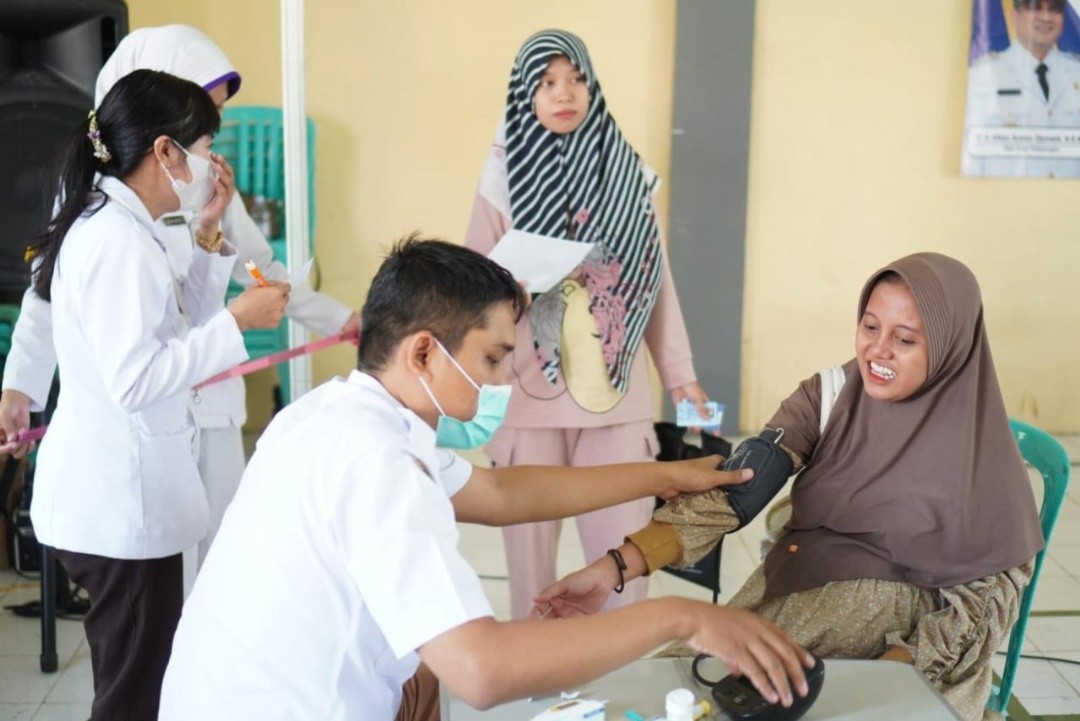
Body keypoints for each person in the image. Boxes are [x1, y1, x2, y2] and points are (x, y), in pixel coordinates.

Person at [158, 236, 814, 721]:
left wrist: (662, 474)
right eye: (494, 357)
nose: (503, 381)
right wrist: (684, 618)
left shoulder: (336, 414)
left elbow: (500, 493)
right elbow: (482, 668)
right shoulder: (379, 465)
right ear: (422, 350)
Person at [535, 253, 1045, 721]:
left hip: (901, 651)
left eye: (906, 339)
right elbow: (735, 490)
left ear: (954, 344)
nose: (878, 350)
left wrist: (893, 670)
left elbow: (984, 604)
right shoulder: (829, 397)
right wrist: (612, 569)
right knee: (662, 689)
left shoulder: (985, 462)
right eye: (869, 326)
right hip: (790, 600)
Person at [0, 25, 359, 590]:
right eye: (200, 122)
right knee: (159, 589)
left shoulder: (205, 185)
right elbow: (47, 296)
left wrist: (343, 320)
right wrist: (21, 383)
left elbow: (259, 271)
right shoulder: (97, 210)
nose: (209, 147)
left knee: (215, 565)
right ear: (159, 128)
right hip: (143, 415)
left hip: (205, 400)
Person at [27, 70, 288, 721]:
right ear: (166, 151)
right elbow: (137, 377)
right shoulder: (117, 241)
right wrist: (239, 321)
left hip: (116, 500)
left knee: (140, 678)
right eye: (203, 147)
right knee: (134, 695)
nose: (210, 164)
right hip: (119, 507)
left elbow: (174, 327)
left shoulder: (122, 223)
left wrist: (206, 233)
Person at [465, 28, 711, 619]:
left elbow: (656, 280)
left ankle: (618, 675)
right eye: (546, 83)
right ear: (525, 93)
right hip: (528, 393)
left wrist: (681, 374)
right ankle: (538, 671)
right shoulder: (500, 179)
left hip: (616, 392)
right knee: (529, 560)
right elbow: (469, 287)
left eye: (575, 78)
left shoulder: (630, 176)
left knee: (623, 551)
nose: (563, 93)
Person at [963, 0, 1080, 177]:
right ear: (1015, 17)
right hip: (1009, 198)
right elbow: (971, 156)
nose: (1046, 17)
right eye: (1035, 7)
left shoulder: (1076, 72)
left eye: (1054, 9)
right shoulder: (983, 75)